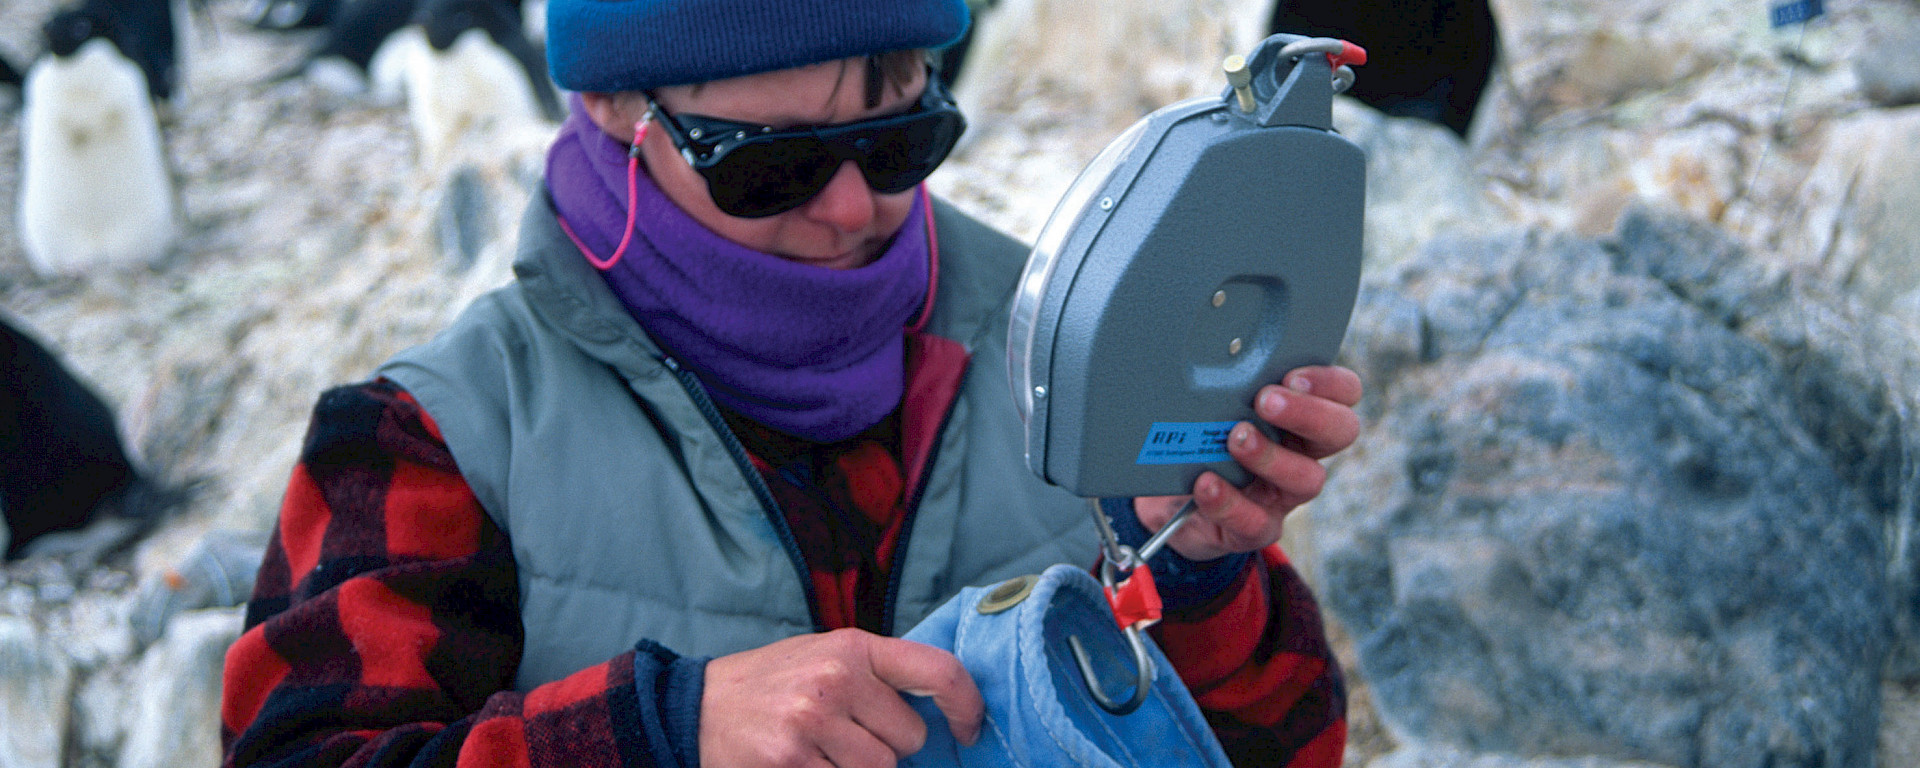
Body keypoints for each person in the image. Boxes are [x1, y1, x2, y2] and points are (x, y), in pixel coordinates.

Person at [218, 1, 1363, 766]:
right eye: (773, 165)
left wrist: (1199, 580)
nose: (856, 208)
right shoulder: (435, 438)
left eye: (902, 138)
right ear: (618, 111)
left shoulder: (1063, 341)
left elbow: (1283, 745)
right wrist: (662, 731)